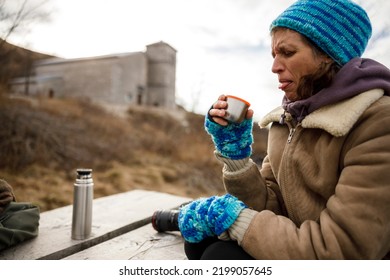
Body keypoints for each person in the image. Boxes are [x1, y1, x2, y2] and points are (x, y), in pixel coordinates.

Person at [177, 0, 390, 259]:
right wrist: (236, 158)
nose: (274, 67)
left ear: (328, 55)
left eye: (287, 53)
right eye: (274, 55)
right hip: (298, 242)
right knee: (198, 242)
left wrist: (236, 221)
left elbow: (343, 250)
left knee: (220, 256)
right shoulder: (288, 118)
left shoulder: (378, 122)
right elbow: (270, 205)